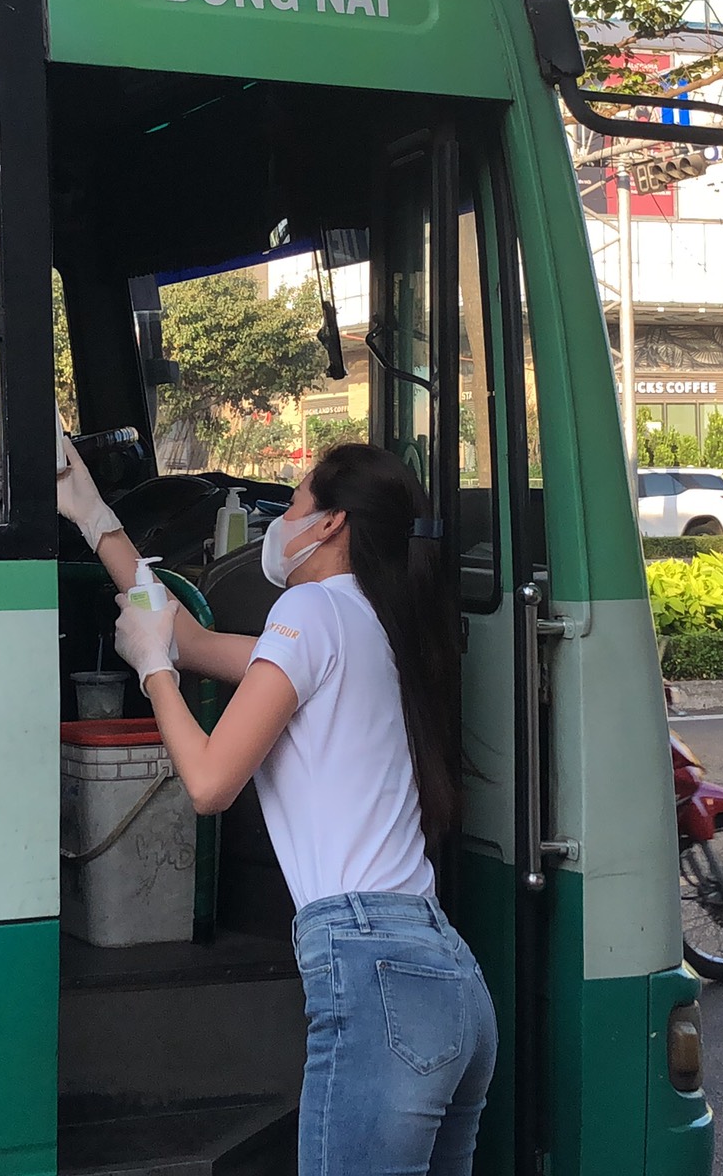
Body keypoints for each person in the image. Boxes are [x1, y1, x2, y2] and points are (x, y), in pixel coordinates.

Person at [58, 441, 496, 1173]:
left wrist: (154, 672)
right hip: (447, 975)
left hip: (373, 967)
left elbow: (208, 783)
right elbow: (188, 636)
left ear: (330, 525)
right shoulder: (369, 622)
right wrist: (94, 516)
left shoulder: (311, 609)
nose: (279, 522)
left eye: (292, 505)